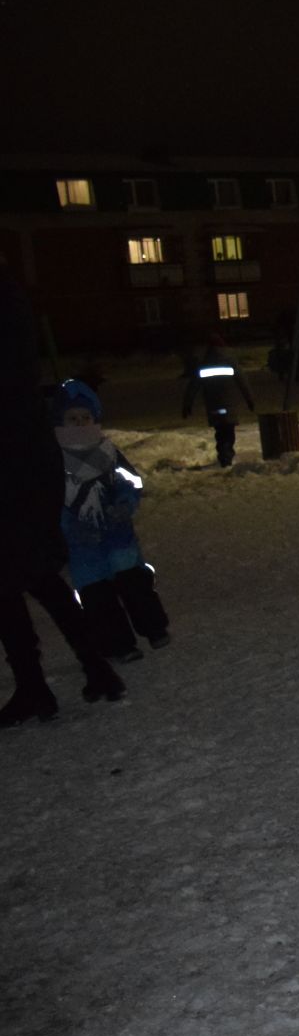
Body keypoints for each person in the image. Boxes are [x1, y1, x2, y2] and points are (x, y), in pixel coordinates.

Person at [0, 265, 123, 727]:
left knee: (27, 577)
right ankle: (61, 676)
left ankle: (68, 675)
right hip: (21, 461)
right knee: (29, 579)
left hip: (16, 465)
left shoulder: (6, 302)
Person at [54, 380, 170, 662]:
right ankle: (119, 644)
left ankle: (154, 629)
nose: (80, 424)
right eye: (72, 419)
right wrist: (70, 526)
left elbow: (130, 480)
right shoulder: (52, 458)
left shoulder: (107, 450)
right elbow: (46, 500)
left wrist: (125, 502)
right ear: (60, 421)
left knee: (136, 584)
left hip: (117, 534)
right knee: (97, 597)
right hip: (82, 546)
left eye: (86, 418)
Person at [180, 337, 256, 466]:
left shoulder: (204, 364)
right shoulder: (231, 362)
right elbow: (243, 383)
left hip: (213, 405)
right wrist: (250, 400)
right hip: (229, 405)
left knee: (220, 432)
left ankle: (223, 455)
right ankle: (227, 456)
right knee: (228, 432)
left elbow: (193, 386)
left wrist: (187, 404)